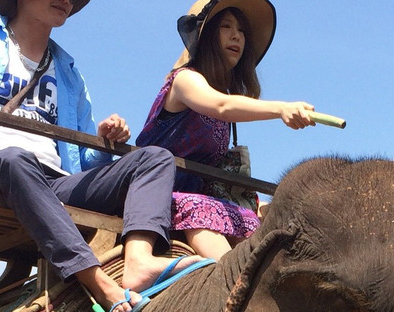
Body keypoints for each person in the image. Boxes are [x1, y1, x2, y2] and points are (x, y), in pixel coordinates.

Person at [0, 0, 200, 312]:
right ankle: (97, 283)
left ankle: (140, 261)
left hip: (53, 180)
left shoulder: (68, 71)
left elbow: (83, 162)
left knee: (155, 157)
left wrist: (105, 140)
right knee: (16, 159)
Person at [135, 0, 315, 260]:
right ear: (207, 36)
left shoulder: (226, 101)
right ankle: (229, 282)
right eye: (226, 26)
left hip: (205, 195)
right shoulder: (185, 79)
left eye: (241, 31)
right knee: (201, 210)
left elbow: (220, 179)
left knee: (270, 224)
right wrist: (281, 109)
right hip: (157, 194)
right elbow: (221, 105)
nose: (236, 36)